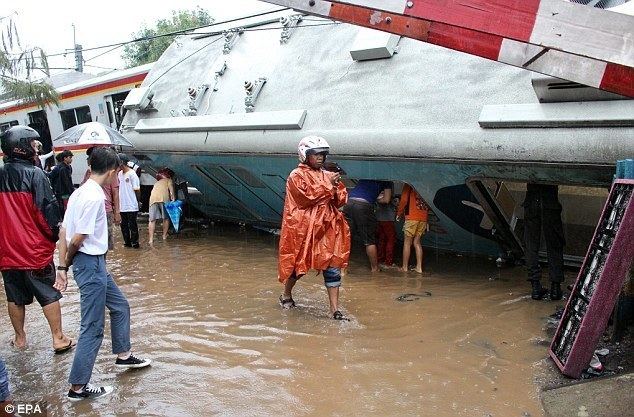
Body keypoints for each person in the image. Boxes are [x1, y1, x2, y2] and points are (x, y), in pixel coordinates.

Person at [56, 147, 151, 401]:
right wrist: (64, 266)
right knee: (92, 327)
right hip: (90, 264)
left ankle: (123, 356)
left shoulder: (80, 191)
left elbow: (63, 232)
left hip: (93, 265)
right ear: (112, 172)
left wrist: (63, 267)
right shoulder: (94, 197)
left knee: (121, 306)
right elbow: (76, 238)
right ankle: (78, 388)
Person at [0, 126, 75, 353]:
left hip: (6, 250)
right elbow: (47, 213)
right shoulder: (35, 175)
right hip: (33, 250)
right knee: (48, 292)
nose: (36, 149)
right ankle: (58, 338)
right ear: (22, 147)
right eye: (33, 144)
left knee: (14, 296)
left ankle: (20, 338)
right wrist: (55, 235)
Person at [278, 136, 351, 320]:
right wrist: (329, 186)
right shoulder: (296, 176)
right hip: (306, 230)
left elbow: (340, 200)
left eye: (323, 154)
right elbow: (306, 198)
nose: (320, 157)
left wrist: (335, 187)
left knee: (333, 267)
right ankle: (286, 294)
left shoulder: (328, 175)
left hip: (328, 230)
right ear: (305, 155)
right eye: (316, 154)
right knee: (298, 267)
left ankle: (335, 310)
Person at [523, 183, 565, 300]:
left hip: (531, 202)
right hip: (550, 202)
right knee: (554, 244)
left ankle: (535, 287)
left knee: (531, 244)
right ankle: (555, 288)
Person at [343, 180, 392, 272]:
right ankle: (375, 269)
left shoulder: (366, 176)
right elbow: (386, 199)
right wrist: (374, 199)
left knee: (347, 238)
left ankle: (343, 270)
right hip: (363, 206)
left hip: (349, 203)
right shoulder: (386, 180)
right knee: (369, 240)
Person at [82, 147, 121, 251]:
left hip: (106, 209)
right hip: (90, 208)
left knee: (106, 241)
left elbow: (115, 192)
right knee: (91, 240)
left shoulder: (111, 173)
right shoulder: (88, 173)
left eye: (91, 158)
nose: (88, 160)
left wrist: (117, 212)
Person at [397, 183, 429, 274]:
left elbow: (404, 200)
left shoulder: (409, 184)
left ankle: (404, 267)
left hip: (412, 217)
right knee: (417, 242)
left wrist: (399, 213)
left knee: (407, 243)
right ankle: (419, 268)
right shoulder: (424, 186)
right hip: (423, 217)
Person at [117, 154, 141, 248]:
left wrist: (138, 202)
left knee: (132, 225)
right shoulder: (119, 174)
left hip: (131, 205)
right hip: (122, 205)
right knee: (123, 226)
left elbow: (137, 190)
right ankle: (127, 243)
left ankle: (135, 244)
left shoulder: (132, 174)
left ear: (122, 162)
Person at [148, 168, 175, 245]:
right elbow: (171, 192)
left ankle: (151, 240)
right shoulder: (169, 180)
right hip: (163, 198)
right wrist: (173, 200)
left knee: (152, 220)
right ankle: (164, 236)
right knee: (166, 218)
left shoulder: (157, 182)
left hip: (152, 199)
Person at [376, 187, 398, 268]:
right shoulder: (388, 185)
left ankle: (379, 259)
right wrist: (395, 201)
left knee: (381, 239)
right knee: (391, 239)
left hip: (379, 217)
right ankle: (389, 262)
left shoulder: (378, 186)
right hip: (388, 218)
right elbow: (389, 201)